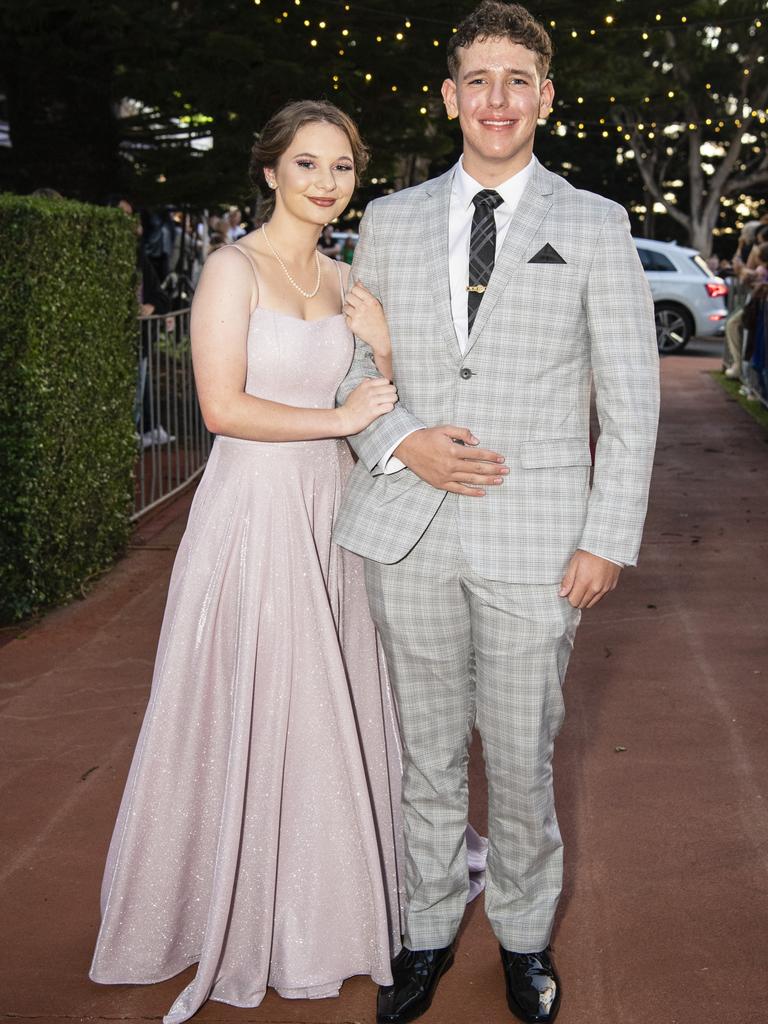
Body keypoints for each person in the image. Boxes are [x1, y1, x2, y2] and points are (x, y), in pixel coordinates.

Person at [334, 3, 660, 1022]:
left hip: (538, 542)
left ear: (546, 98)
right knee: (425, 752)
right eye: (479, 79)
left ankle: (523, 939)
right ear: (449, 96)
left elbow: (632, 393)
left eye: (517, 80)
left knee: (519, 759)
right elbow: (350, 362)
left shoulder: (598, 225)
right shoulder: (385, 221)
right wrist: (400, 439)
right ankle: (426, 930)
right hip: (409, 529)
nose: (497, 100)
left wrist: (609, 535)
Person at [89, 100, 403, 1023]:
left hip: (330, 508)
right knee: (258, 695)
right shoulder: (231, 269)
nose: (325, 183)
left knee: (332, 699)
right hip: (254, 506)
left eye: (341, 167)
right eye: (307, 164)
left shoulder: (349, 279)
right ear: (268, 172)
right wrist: (341, 419)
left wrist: (382, 345)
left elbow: (381, 396)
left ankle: (329, 911)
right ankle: (227, 908)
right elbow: (222, 408)